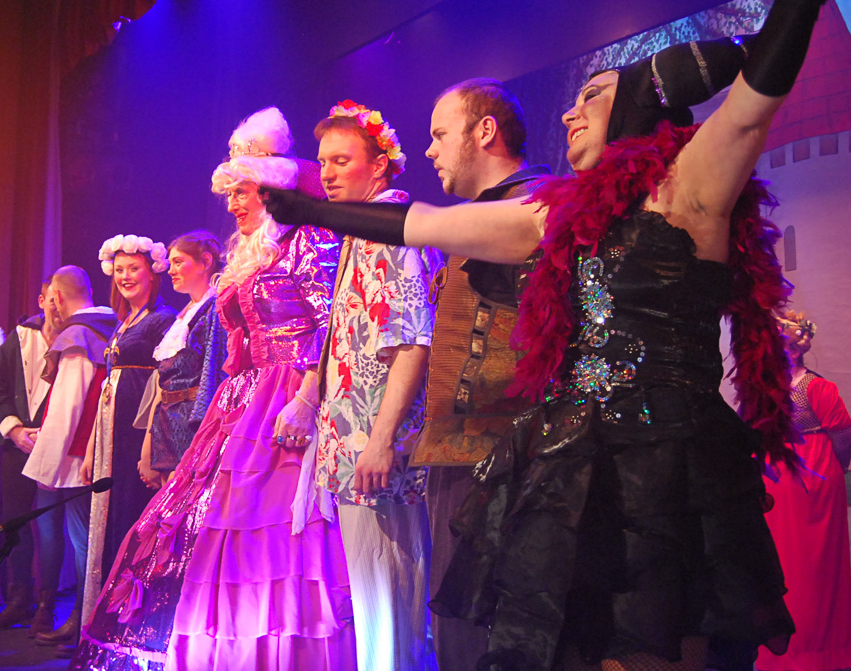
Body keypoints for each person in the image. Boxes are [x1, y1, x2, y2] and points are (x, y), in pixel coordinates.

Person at [263, 1, 828, 668]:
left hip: (669, 462)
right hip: (578, 467)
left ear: (645, 99)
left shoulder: (691, 186)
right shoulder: (554, 215)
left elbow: (754, 101)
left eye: (593, 96)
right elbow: (426, 225)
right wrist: (310, 210)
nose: (568, 114)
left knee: (658, 643)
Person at [71, 107, 355, 671]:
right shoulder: (251, 252)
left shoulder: (310, 241)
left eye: (241, 191)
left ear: (271, 189)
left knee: (269, 535)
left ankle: (272, 654)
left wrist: (306, 399)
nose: (232, 204)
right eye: (229, 193)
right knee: (193, 526)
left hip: (287, 395)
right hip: (241, 399)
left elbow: (331, 327)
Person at [421, 78, 550, 670]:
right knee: (459, 630)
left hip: (509, 451)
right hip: (460, 449)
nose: (431, 150)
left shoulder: (540, 206)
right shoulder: (475, 219)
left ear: (485, 131)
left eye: (440, 134)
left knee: (493, 630)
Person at [313, 100, 440, 671]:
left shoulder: (392, 229)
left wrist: (382, 439)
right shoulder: (361, 232)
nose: (327, 173)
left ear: (380, 165)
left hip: (376, 448)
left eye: (342, 161)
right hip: (355, 443)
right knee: (373, 594)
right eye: (323, 162)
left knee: (391, 595)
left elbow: (414, 340)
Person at [79, 235, 176, 627]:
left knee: (131, 514)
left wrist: (151, 446)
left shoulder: (162, 320)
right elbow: (107, 391)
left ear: (152, 273)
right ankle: (100, 613)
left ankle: (126, 618)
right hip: (111, 436)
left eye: (134, 268)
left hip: (136, 435)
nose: (125, 276)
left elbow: (164, 386)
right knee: (109, 515)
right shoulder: (124, 322)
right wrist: (91, 450)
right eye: (119, 270)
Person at [22, 266, 117, 654]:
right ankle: (81, 618)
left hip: (78, 456)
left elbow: (66, 406)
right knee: (87, 541)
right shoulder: (108, 327)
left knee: (84, 544)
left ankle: (84, 625)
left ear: (57, 298)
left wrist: (45, 467)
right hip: (95, 449)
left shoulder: (78, 335)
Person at [757, 311, 851, 671]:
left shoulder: (817, 388)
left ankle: (818, 649)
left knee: (816, 564)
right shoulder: (763, 387)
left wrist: (832, 471)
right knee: (780, 558)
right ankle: (780, 646)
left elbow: (842, 436)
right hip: (776, 479)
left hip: (813, 477)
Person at [0, 279, 60, 633]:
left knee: (51, 528)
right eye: (51, 299)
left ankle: (47, 605)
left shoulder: (78, 339)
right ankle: (18, 599)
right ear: (41, 300)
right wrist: (13, 430)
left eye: (62, 299)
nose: (56, 306)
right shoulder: (21, 337)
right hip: (18, 445)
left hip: (58, 448)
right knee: (14, 524)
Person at [136, 230, 229, 489]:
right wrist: (148, 447)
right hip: (167, 425)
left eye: (178, 262)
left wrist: (204, 439)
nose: (171, 270)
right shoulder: (182, 317)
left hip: (194, 426)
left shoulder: (215, 310)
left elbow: (216, 378)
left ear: (205, 261)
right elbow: (163, 388)